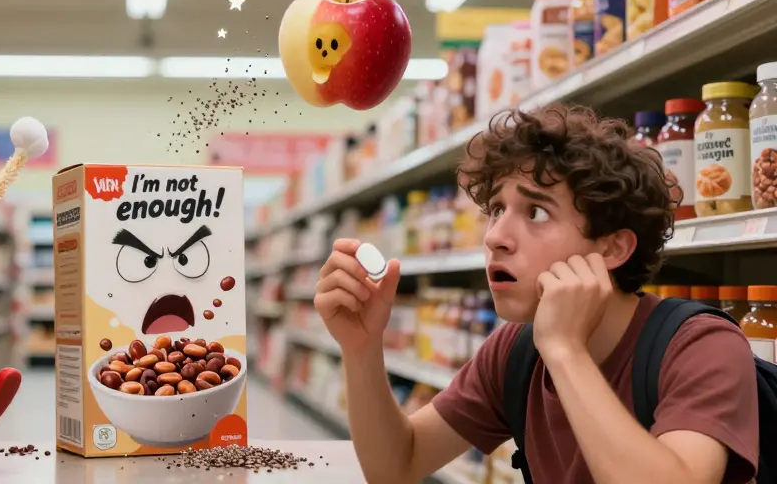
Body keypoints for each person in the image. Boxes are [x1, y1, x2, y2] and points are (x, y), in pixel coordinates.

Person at [315, 104, 760, 484]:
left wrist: (565, 350)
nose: (496, 238)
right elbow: (398, 464)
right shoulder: (514, 351)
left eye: (536, 212)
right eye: (496, 210)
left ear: (612, 246)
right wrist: (361, 348)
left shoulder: (701, 347)